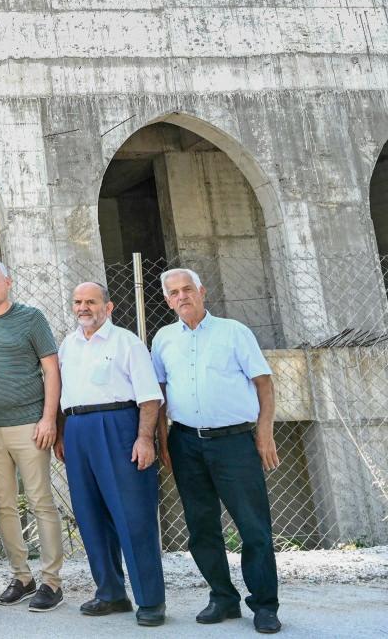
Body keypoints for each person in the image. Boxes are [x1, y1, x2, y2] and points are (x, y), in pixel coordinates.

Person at [152, 268, 281, 635]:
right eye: (173, 293)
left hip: (235, 443)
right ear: (167, 299)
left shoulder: (234, 332)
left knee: (253, 527)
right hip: (186, 443)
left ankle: (264, 606)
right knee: (201, 528)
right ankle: (223, 597)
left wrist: (264, 434)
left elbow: (264, 384)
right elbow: (159, 396)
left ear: (202, 291)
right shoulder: (162, 339)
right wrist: (163, 441)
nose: (182, 297)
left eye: (187, 289)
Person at [56, 282, 165, 627]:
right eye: (78, 302)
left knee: (132, 515)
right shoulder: (67, 345)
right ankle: (110, 593)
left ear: (108, 306)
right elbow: (64, 392)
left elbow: (149, 397)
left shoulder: (126, 342)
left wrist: (144, 438)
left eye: (91, 301)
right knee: (90, 516)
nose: (83, 307)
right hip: (76, 430)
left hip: (118, 426)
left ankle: (150, 601)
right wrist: (61, 433)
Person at [0, 259, 64, 612]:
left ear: (8, 282)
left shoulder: (32, 318)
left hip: (30, 424)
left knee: (40, 501)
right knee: (3, 505)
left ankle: (52, 582)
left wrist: (48, 419)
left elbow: (51, 370)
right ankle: (22, 577)